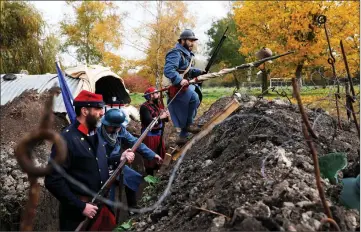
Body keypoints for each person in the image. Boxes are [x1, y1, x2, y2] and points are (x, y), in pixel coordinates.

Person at [44, 90, 135, 231]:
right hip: (78, 215)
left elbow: (98, 163)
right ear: (85, 111)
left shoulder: (94, 134)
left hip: (100, 206)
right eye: (98, 108)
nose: (102, 112)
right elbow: (52, 180)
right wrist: (81, 206)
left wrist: (119, 158)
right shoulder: (66, 139)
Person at [99, 108, 163, 211]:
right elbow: (97, 158)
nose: (121, 128)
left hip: (117, 162)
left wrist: (153, 155)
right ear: (111, 126)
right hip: (101, 167)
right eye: (118, 127)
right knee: (107, 198)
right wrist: (118, 158)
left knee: (132, 178)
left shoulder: (120, 131)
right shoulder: (96, 136)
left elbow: (135, 142)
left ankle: (132, 208)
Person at [163, 29, 206, 146]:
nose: (192, 43)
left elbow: (187, 70)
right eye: (190, 40)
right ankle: (188, 125)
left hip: (184, 86)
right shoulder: (175, 53)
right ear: (182, 41)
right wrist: (179, 80)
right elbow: (168, 70)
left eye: (193, 41)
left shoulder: (186, 54)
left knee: (195, 98)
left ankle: (183, 136)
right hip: (176, 87)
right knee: (194, 98)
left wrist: (199, 72)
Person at [140, 87, 169, 176]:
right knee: (150, 157)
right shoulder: (144, 107)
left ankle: (159, 174)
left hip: (158, 134)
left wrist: (166, 115)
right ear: (151, 96)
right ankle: (149, 176)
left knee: (159, 153)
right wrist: (161, 117)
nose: (158, 95)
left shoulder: (157, 105)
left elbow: (165, 119)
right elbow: (149, 121)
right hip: (149, 135)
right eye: (156, 94)